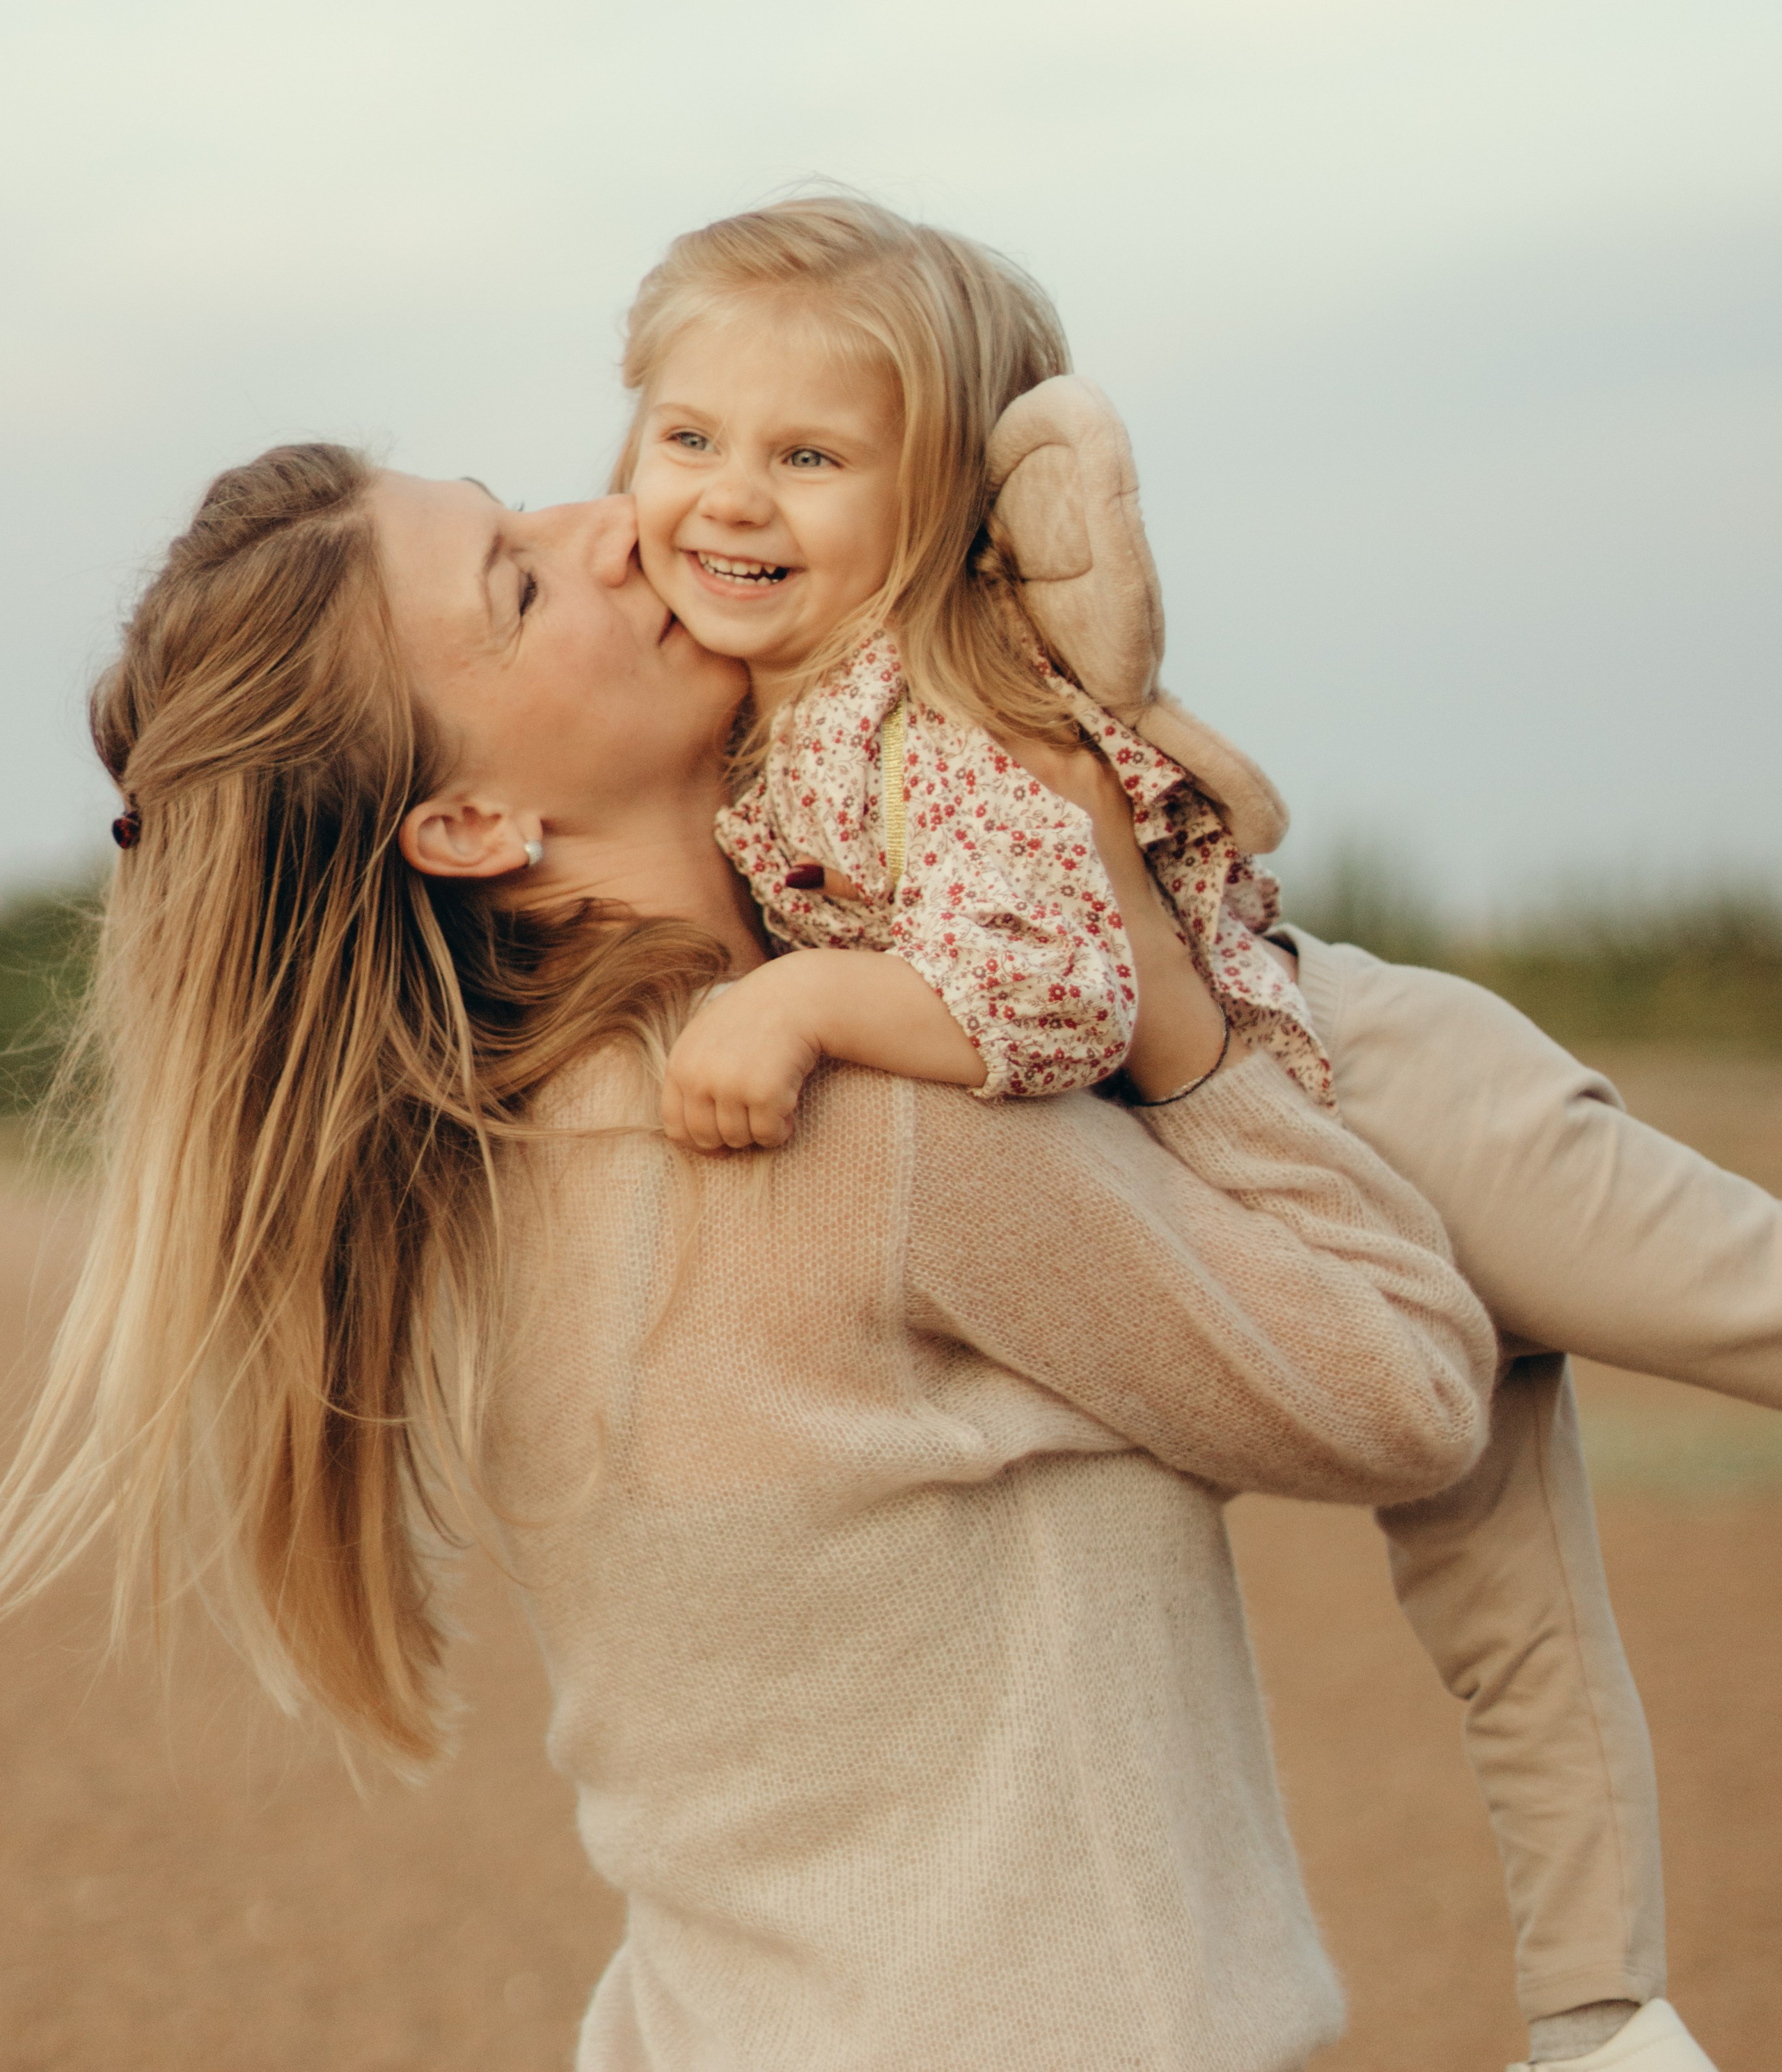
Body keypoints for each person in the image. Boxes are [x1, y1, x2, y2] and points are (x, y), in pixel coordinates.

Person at [0, 441, 1497, 2072]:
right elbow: (1404, 1383)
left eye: (528, 503)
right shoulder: (859, 1136)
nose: (614, 525)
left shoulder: (490, 1187)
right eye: (516, 578)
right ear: (472, 820)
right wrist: (1165, 990)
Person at [609, 192, 1766, 2071]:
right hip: (1283, 1209)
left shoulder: (937, 710)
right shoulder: (755, 719)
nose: (731, 499)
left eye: (811, 457)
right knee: (1504, 1620)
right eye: (690, 439)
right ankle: (1604, 2022)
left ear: (935, 509)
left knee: (1751, 1306)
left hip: (1375, 1090)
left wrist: (804, 997)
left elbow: (1059, 1000)